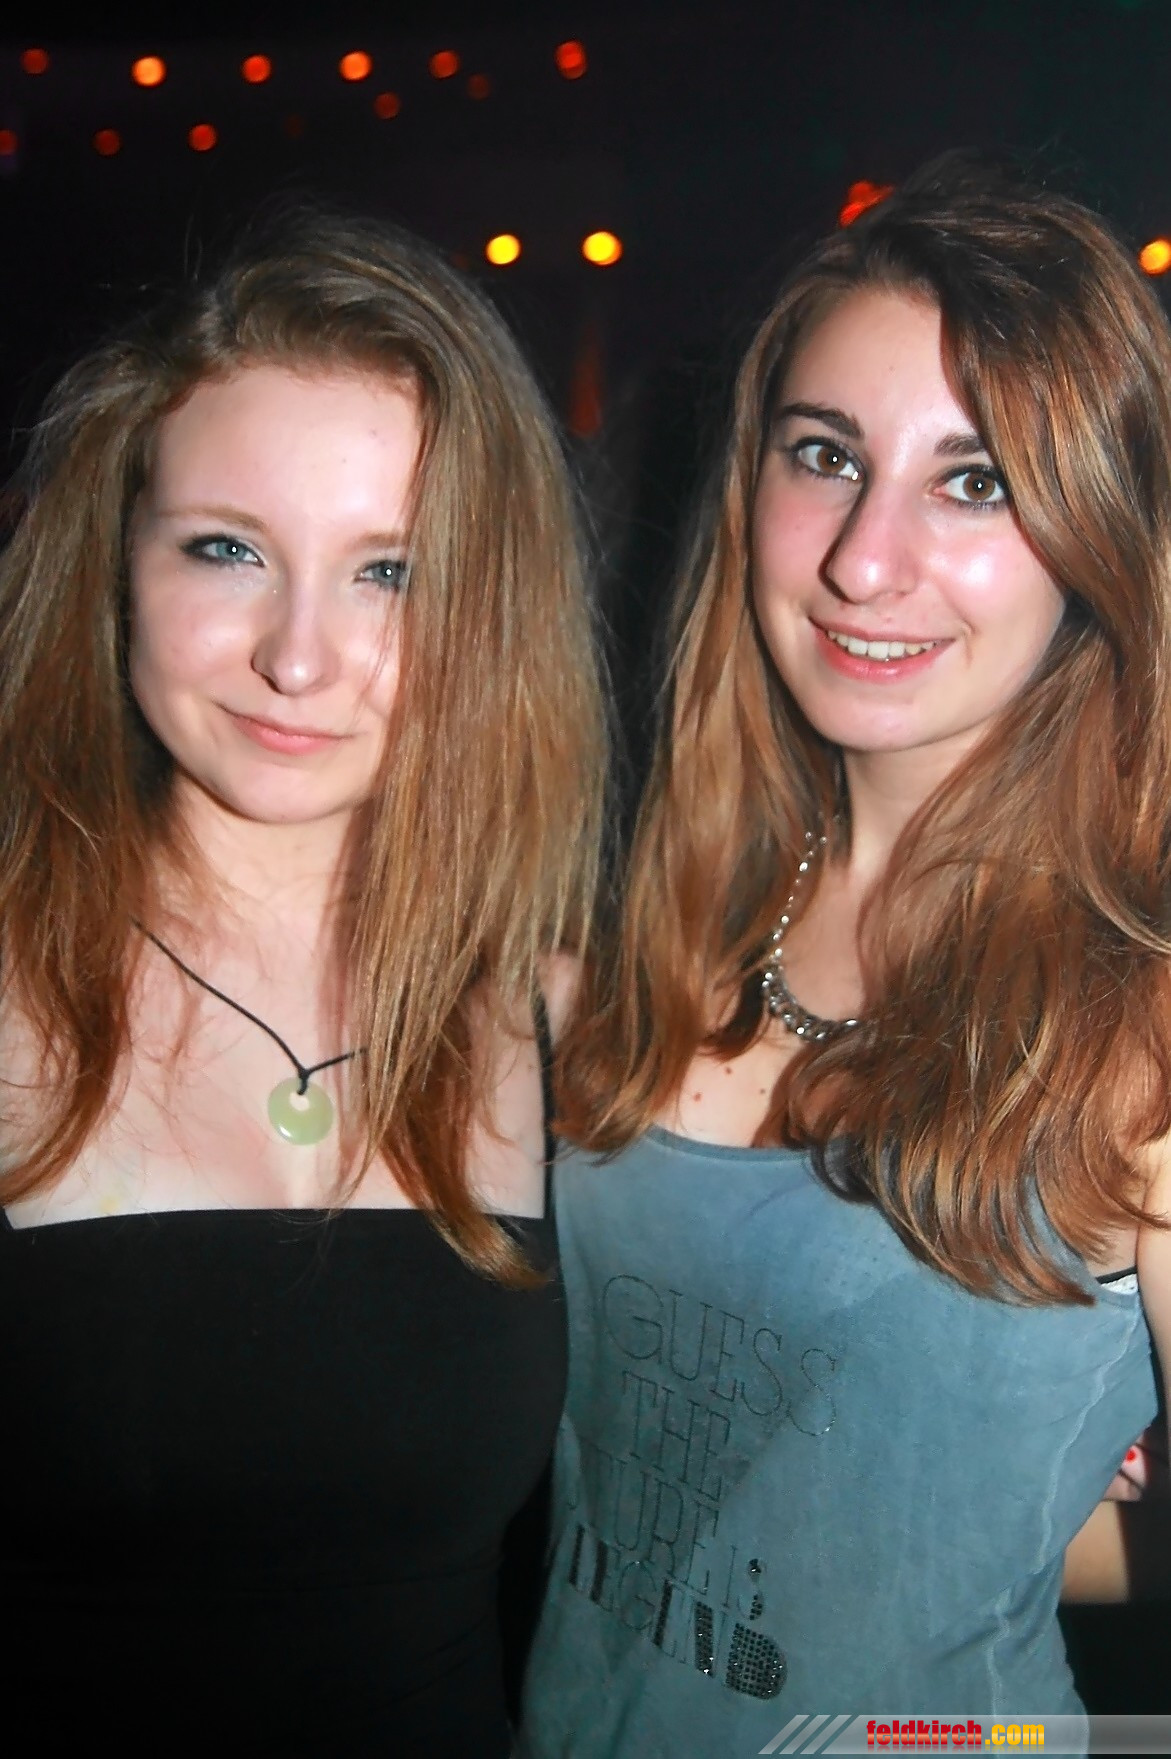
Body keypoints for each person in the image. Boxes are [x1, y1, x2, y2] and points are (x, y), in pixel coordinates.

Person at [520, 156, 1171, 1753]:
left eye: (976, 482)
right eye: (826, 457)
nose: (865, 561)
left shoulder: (1142, 1017)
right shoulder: (647, 926)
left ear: (1099, 531)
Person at [0, 207, 605, 1753]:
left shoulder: (567, 1021)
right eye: (227, 549)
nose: (300, 656)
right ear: (115, 561)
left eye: (389, 571)